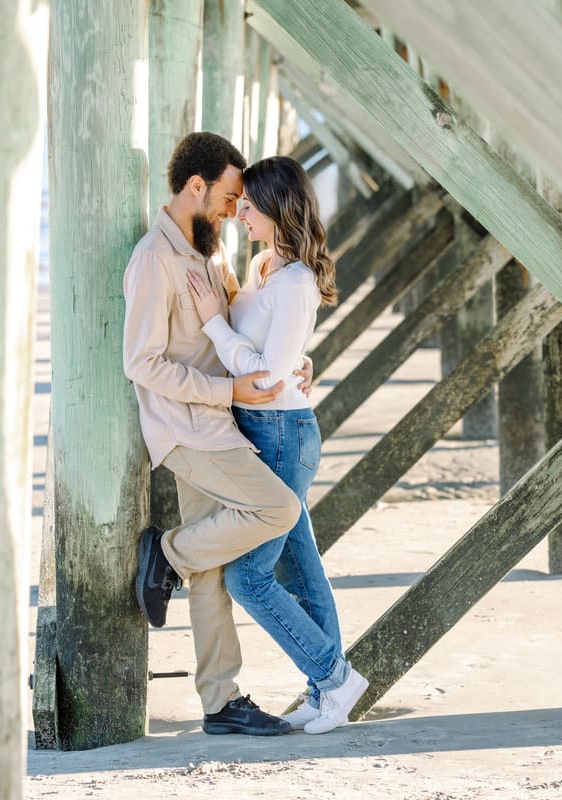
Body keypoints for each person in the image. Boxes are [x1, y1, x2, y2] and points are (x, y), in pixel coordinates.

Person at [123, 132, 311, 737]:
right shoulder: (154, 260)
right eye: (229, 199)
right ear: (195, 187)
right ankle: (167, 554)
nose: (235, 212)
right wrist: (226, 392)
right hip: (187, 429)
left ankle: (220, 702)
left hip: (222, 424)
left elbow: (238, 326)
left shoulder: (210, 250)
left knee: (213, 569)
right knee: (277, 507)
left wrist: (285, 362)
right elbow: (142, 363)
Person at [186, 156, 368, 735]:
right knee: (301, 568)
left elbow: (265, 376)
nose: (240, 213)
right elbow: (278, 356)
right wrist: (291, 362)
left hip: (282, 435)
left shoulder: (296, 281)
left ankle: (335, 678)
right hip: (265, 430)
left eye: (250, 205)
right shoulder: (266, 265)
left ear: (276, 206)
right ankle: (326, 691)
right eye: (238, 204)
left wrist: (215, 325)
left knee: (249, 578)